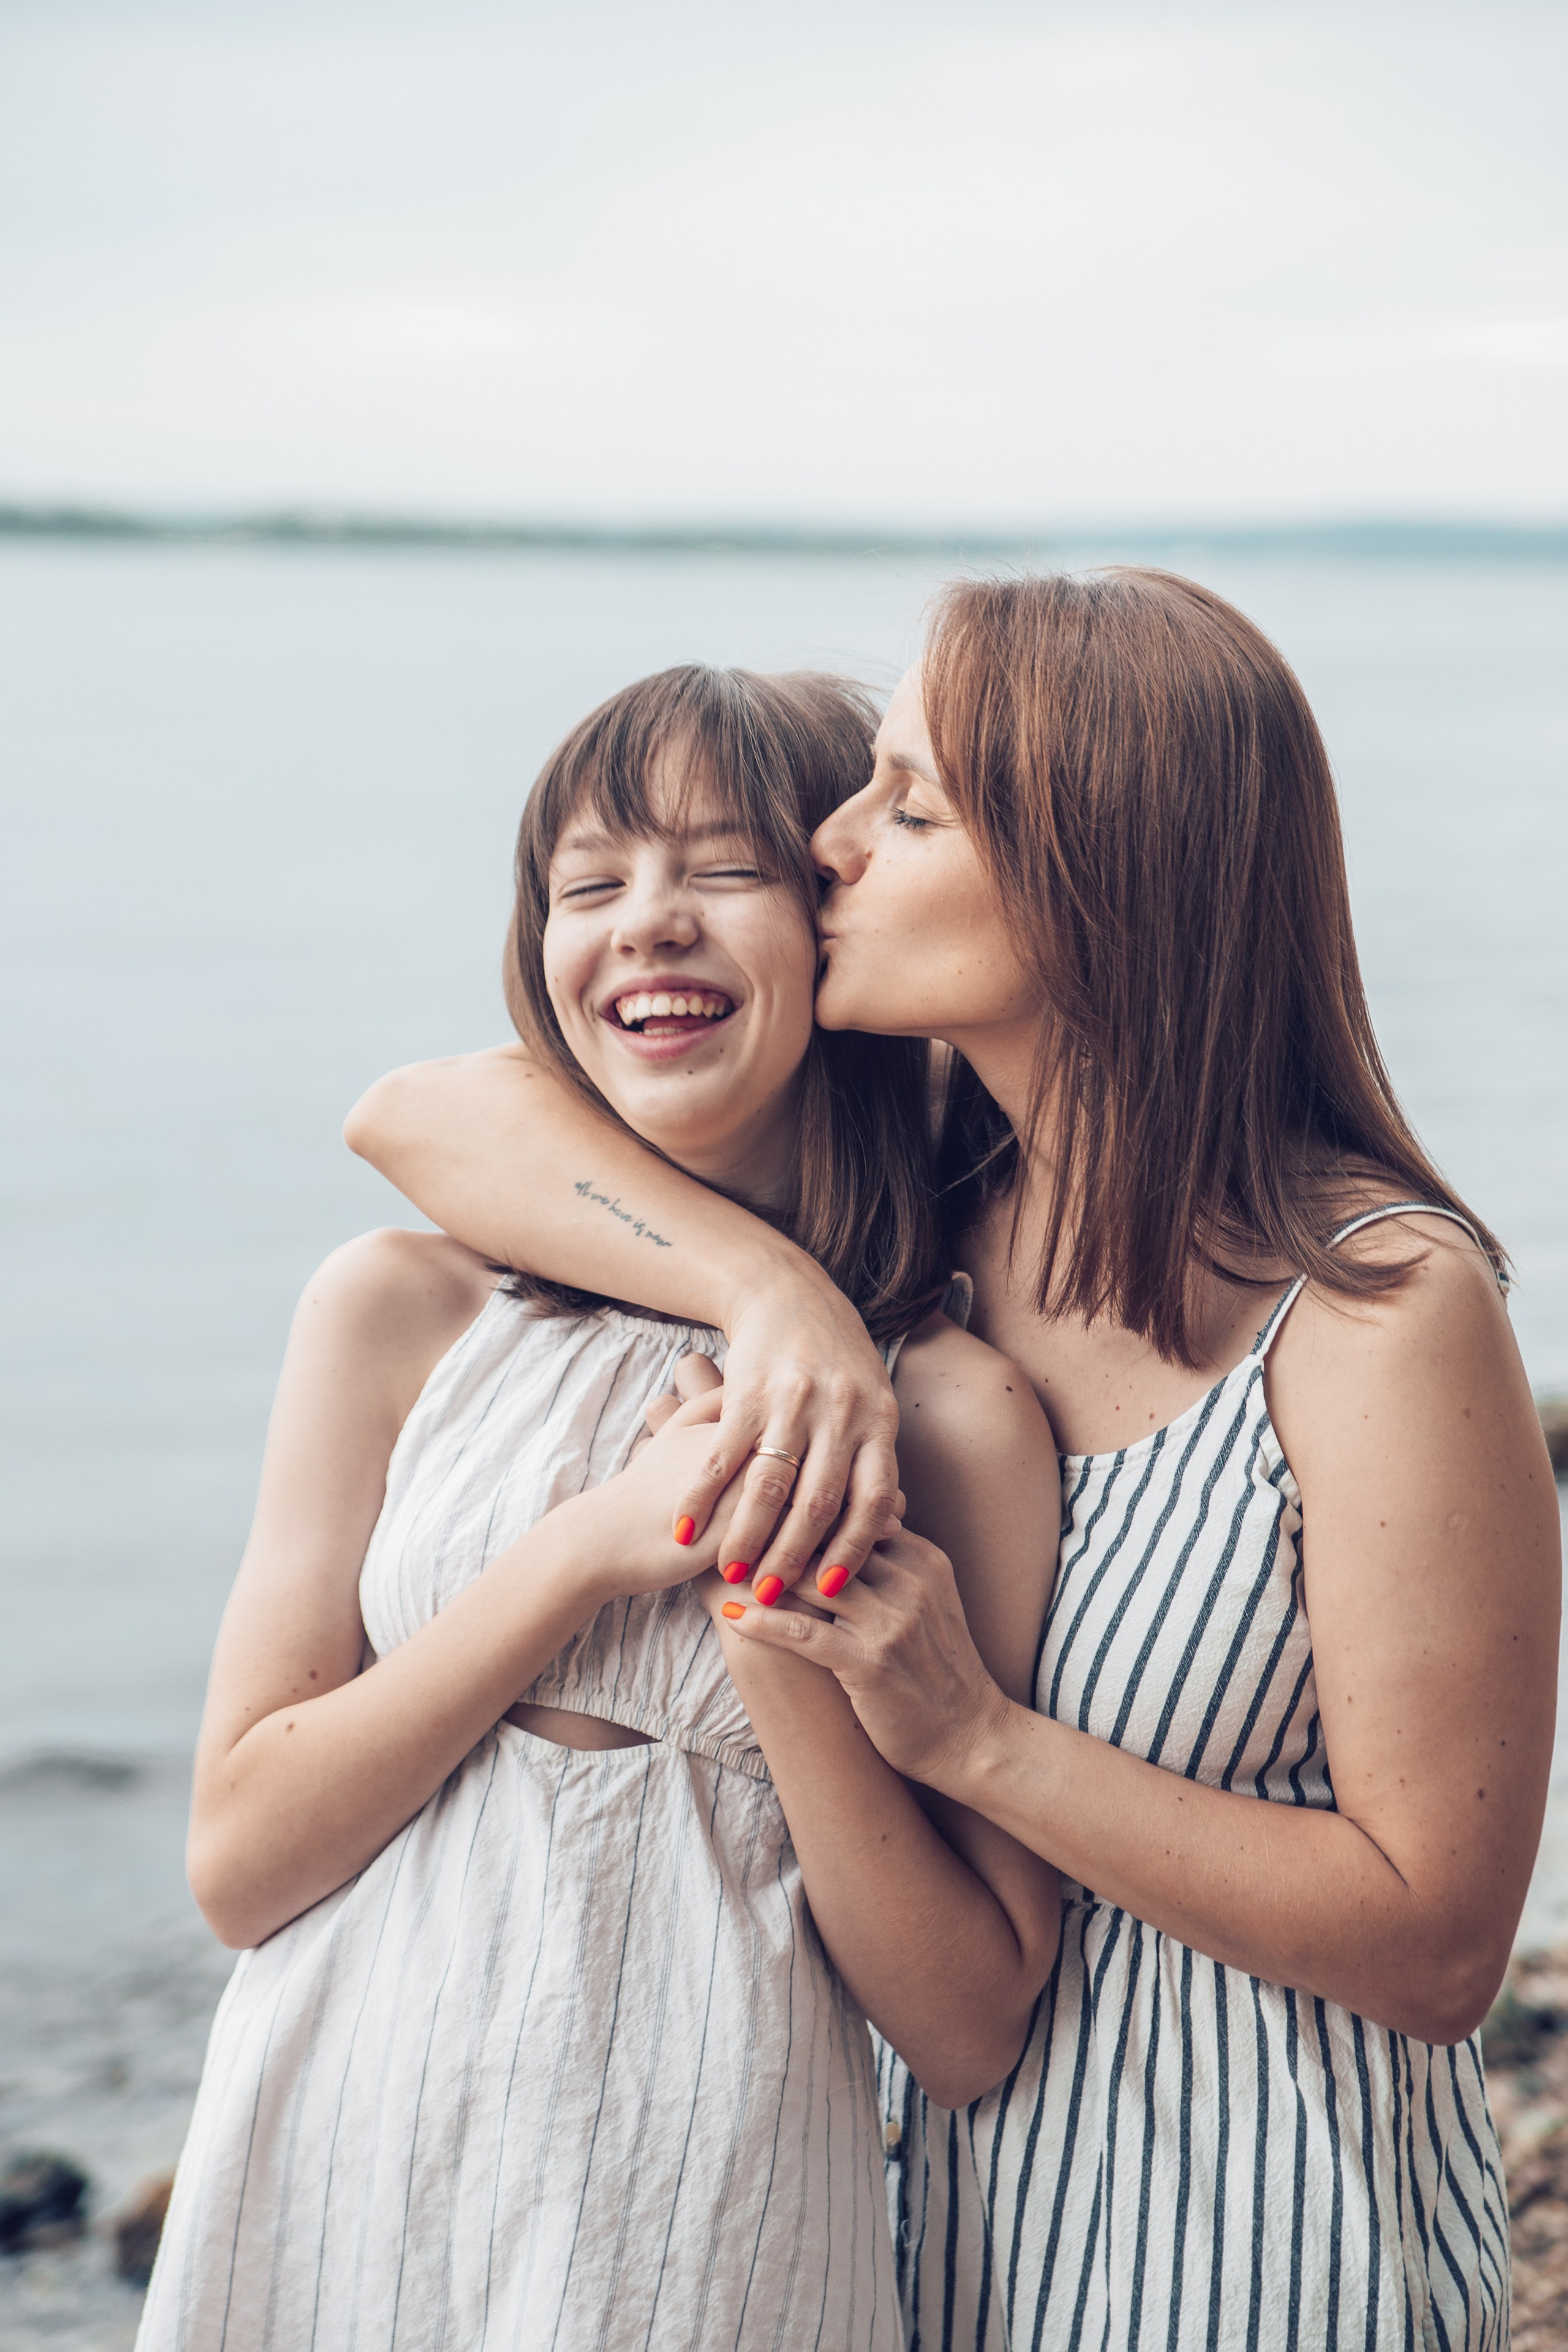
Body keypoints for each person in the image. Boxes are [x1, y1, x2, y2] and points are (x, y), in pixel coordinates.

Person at [349, 570, 1560, 2351]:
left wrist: (973, 1739)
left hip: (1251, 2251)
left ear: (1094, 877)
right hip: (893, 2240)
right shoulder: (921, 1209)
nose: (830, 842)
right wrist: (773, 1296)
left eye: (906, 805)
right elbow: (420, 1113)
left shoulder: (1377, 1309)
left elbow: (1437, 1942)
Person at [140, 665, 1061, 2352]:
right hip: (342, 2158)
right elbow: (241, 1865)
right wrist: (578, 1553)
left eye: (721, 869)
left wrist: (767, 1614)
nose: (647, 922)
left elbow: (971, 2026)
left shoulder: (954, 1411)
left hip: (702, 2214)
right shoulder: (401, 1315)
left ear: (836, 919)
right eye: (589, 883)